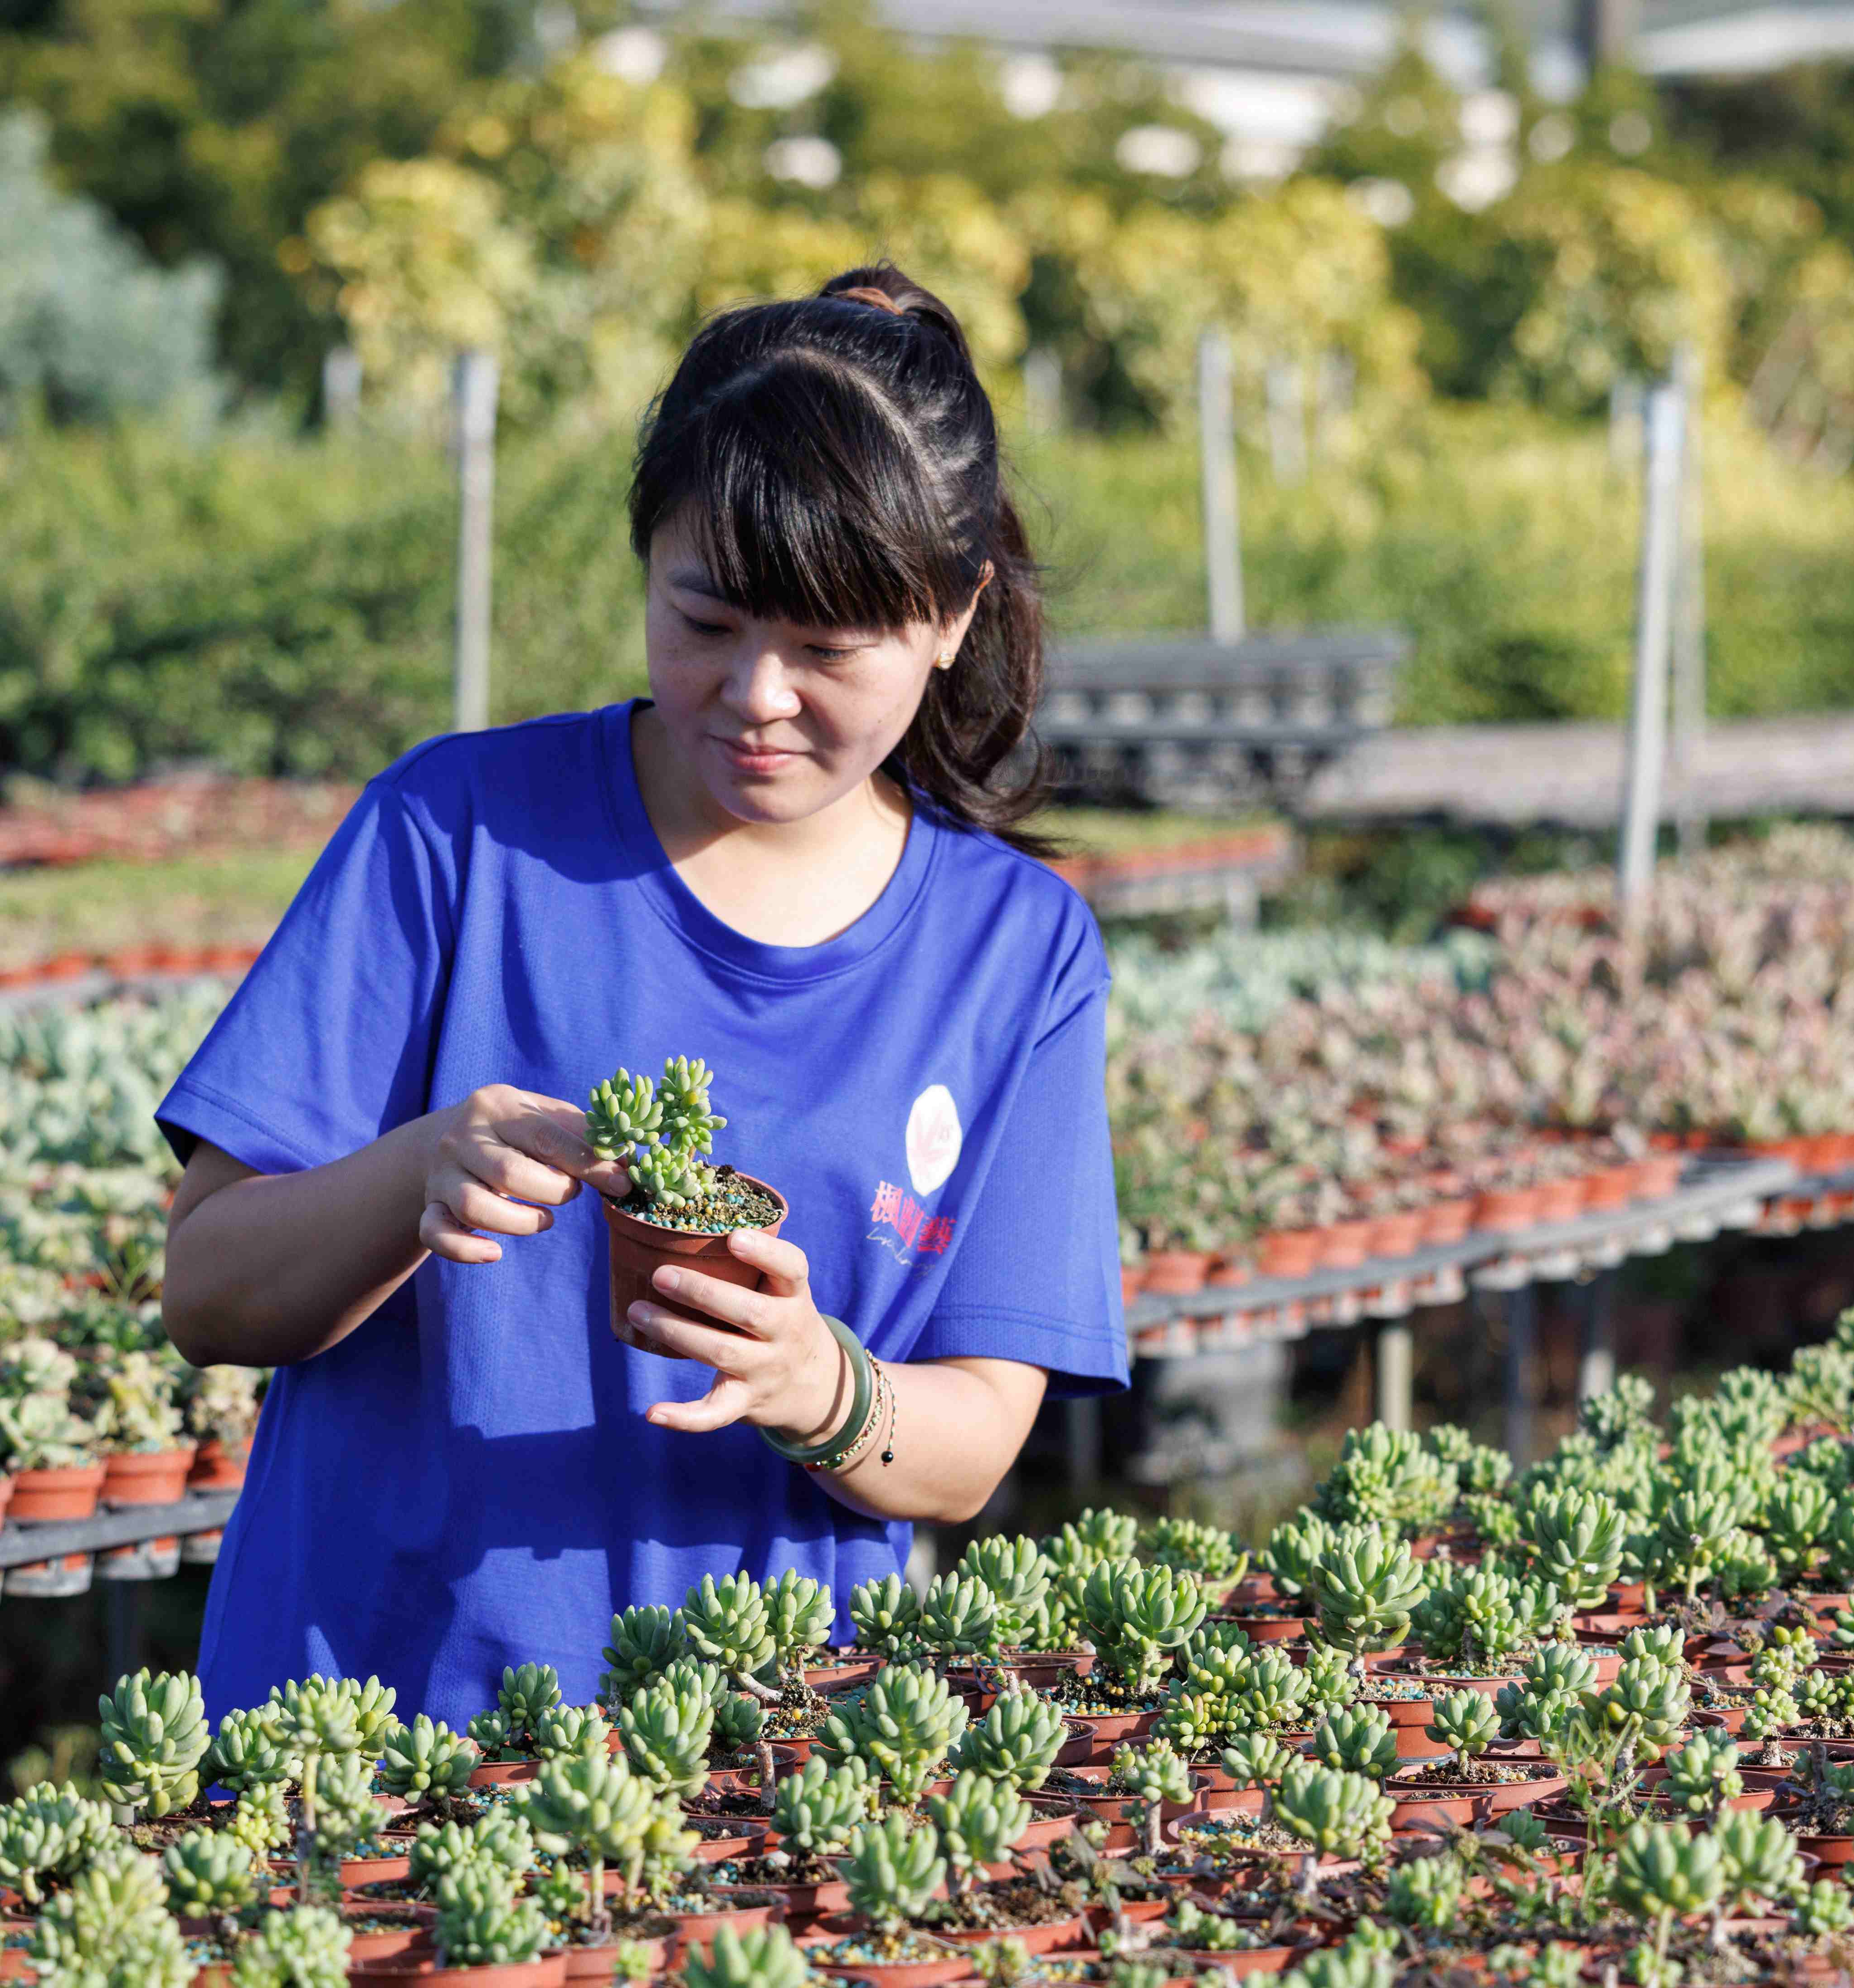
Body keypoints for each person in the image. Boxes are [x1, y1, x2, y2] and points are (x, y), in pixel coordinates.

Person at [153, 266, 1129, 1722]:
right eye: (709, 621)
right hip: (360, 1724)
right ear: (645, 566)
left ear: (951, 610)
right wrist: (415, 1176)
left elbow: (978, 1435)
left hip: (747, 1759)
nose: (757, 693)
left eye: (826, 646)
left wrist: (820, 1380)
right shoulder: (458, 830)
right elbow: (209, 1285)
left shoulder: (1017, 950)